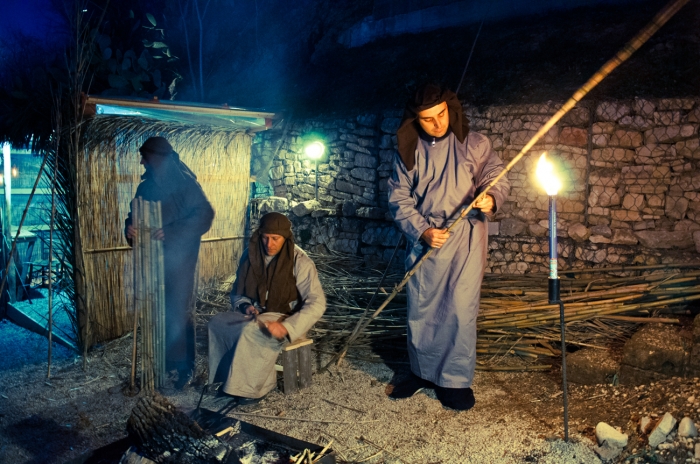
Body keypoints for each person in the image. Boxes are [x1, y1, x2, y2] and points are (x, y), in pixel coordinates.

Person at [386, 83, 510, 410]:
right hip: (428, 239)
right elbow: (398, 199)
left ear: (449, 110)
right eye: (428, 119)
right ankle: (421, 373)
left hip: (466, 237)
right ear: (416, 121)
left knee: (460, 308)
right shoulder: (408, 152)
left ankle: (453, 381)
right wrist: (423, 230)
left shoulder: (474, 143)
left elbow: (497, 176)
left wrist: (491, 197)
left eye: (441, 115)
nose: (438, 124)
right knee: (421, 306)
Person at [125, 136, 215, 389]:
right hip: (151, 257)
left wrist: (172, 231)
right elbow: (134, 214)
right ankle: (161, 363)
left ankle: (183, 367)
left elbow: (205, 215)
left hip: (180, 259)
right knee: (156, 308)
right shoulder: (146, 187)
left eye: (146, 156)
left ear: (159, 157)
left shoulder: (186, 185)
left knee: (176, 310)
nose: (142, 161)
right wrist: (130, 228)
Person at [207, 212, 325, 403]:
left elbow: (316, 302)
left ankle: (253, 389)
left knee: (252, 331)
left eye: (275, 239)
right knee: (218, 323)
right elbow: (238, 291)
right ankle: (227, 380)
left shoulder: (299, 261)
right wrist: (246, 306)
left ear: (285, 238)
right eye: (265, 238)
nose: (269, 244)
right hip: (257, 313)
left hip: (286, 315)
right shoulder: (251, 255)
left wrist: (287, 326)